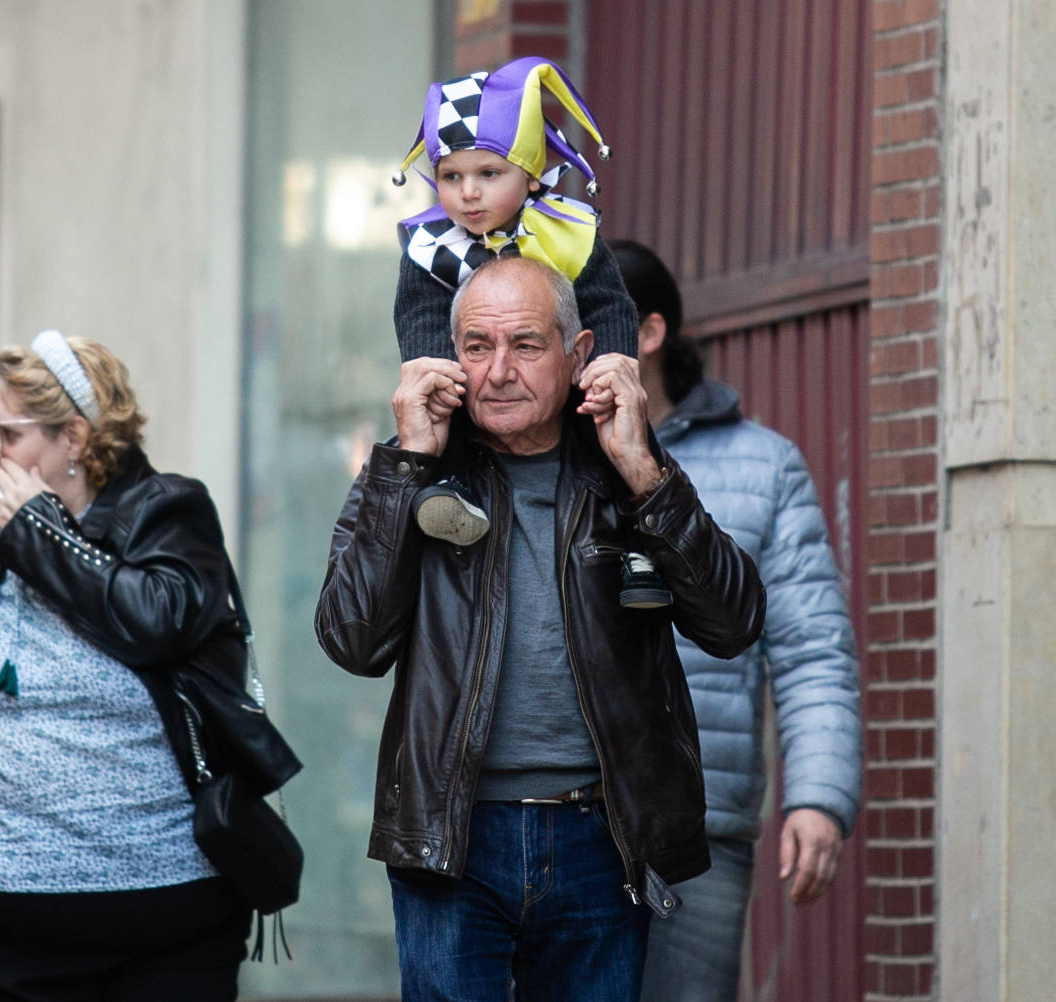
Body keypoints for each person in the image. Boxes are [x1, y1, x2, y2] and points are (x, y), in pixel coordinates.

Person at [315, 256, 766, 1002]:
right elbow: (351, 641)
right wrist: (409, 463)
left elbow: (731, 621)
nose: (497, 372)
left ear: (577, 353)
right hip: (452, 838)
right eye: (474, 347)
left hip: (601, 838)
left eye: (524, 345)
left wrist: (644, 471)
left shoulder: (624, 472)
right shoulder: (412, 472)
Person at [0, 330, 253, 1001]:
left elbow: (155, 622)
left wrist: (40, 534)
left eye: (8, 434)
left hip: (166, 919)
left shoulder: (169, 514)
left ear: (75, 439)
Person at [609, 240, 862, 1002]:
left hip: (700, 829)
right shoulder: (543, 455)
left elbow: (811, 647)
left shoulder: (763, 464)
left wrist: (818, 796)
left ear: (648, 335)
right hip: (556, 822)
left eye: (591, 322)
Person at [389, 57, 669, 607]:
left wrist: (613, 367)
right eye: (451, 177)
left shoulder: (568, 232)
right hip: (470, 395)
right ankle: (451, 495)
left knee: (619, 434)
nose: (468, 193)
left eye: (488, 174)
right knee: (445, 428)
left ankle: (641, 548)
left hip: (570, 390)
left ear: (532, 172)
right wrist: (432, 370)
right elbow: (419, 316)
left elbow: (609, 304)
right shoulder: (429, 247)